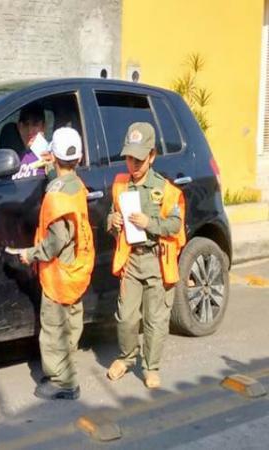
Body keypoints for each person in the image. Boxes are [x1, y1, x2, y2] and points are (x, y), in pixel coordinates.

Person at [7, 127, 95, 400]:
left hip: (58, 274)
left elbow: (55, 240)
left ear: (53, 157)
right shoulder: (76, 185)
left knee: (54, 328)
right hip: (75, 268)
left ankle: (63, 382)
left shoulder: (56, 195)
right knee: (70, 324)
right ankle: (65, 370)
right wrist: (51, 168)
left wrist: (31, 254)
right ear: (78, 159)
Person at [106, 122, 186, 389]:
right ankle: (126, 357)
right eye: (129, 157)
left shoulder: (166, 190)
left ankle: (151, 366)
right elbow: (110, 215)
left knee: (155, 320)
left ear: (152, 156)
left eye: (139, 158)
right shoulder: (120, 185)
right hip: (131, 259)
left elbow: (175, 225)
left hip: (156, 261)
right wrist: (113, 220)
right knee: (126, 317)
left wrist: (149, 223)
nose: (134, 164)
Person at [11, 103, 48, 180]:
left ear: (44, 126)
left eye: (35, 124)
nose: (30, 131)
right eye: (25, 124)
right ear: (19, 127)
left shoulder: (54, 157)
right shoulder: (12, 163)